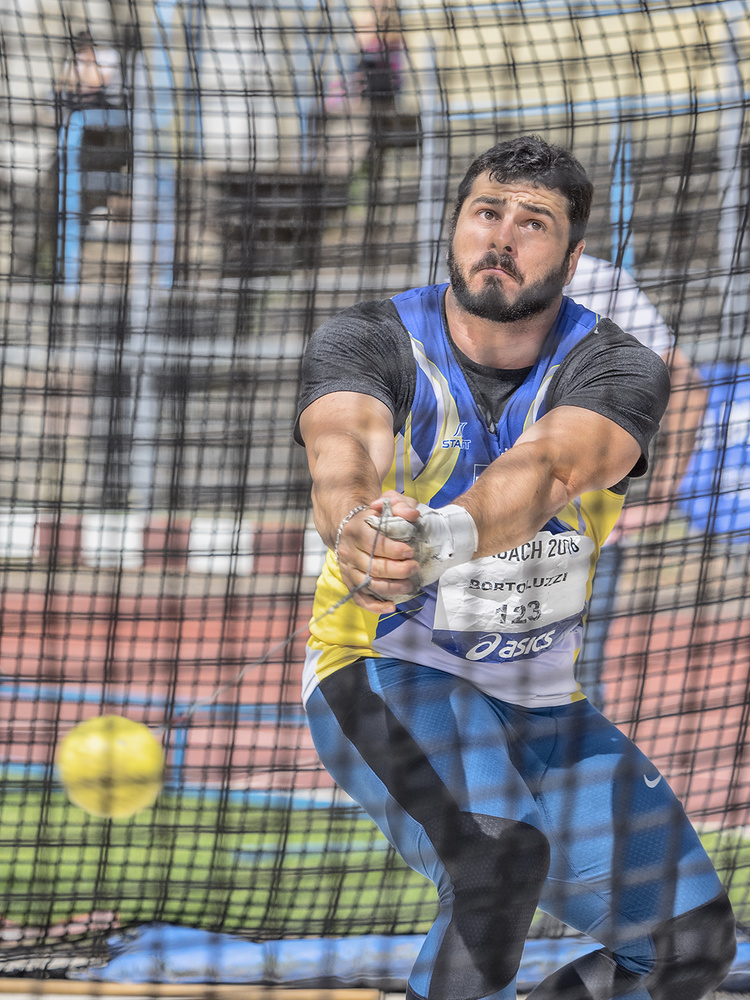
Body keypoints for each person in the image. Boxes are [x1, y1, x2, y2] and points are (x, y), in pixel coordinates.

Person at [295, 135, 735, 999]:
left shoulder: (616, 365)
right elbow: (342, 448)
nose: (501, 236)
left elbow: (549, 471)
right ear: (456, 226)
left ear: (571, 259)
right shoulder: (369, 338)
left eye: (533, 223)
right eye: (486, 212)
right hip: (384, 670)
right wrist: (355, 522)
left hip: (542, 705)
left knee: (689, 947)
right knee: (497, 861)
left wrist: (443, 536)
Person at [565, 257, 708, 707]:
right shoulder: (597, 277)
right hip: (502, 530)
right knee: (568, 690)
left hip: (574, 536)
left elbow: (685, 384)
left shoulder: (597, 280)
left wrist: (662, 497)